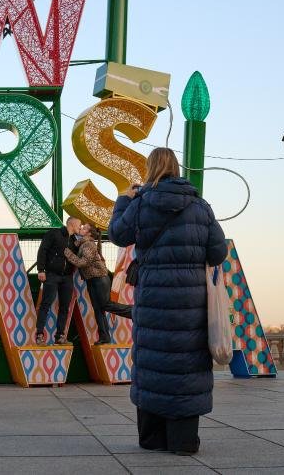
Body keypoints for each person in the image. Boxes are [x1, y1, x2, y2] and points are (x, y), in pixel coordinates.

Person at [108, 147, 228, 455]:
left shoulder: (141, 203)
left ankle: (152, 438)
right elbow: (217, 253)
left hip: (152, 298)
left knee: (153, 362)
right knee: (186, 365)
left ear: (150, 169)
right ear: (176, 168)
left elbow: (117, 235)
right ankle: (183, 440)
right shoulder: (200, 206)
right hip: (191, 302)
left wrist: (125, 198)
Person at [65, 225, 132, 344]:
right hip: (92, 279)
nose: (81, 228)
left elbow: (83, 263)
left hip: (99, 279)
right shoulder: (83, 244)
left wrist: (67, 253)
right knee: (98, 309)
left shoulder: (89, 245)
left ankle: (132, 311)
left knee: (105, 304)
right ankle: (104, 337)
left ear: (89, 234)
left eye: (84, 228)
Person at [35, 216, 82, 345]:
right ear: (72, 224)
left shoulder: (74, 241)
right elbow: (42, 250)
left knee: (65, 307)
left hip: (67, 277)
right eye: (79, 225)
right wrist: (41, 270)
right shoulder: (54, 233)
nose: (80, 228)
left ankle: (60, 336)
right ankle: (39, 335)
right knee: (46, 304)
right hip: (51, 275)